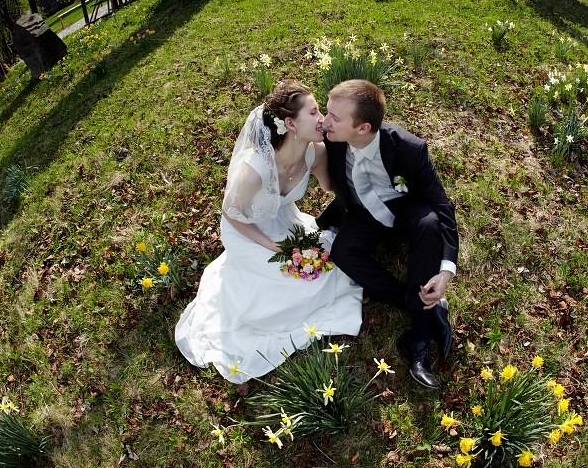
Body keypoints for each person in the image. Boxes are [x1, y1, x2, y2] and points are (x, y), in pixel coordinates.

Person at [175, 80, 363, 383]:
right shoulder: (254, 170)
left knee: (324, 271)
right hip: (246, 233)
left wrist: (349, 155)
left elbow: (331, 188)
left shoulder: (315, 152)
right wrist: (274, 248)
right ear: (290, 123)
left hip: (280, 221)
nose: (322, 119)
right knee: (287, 287)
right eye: (313, 112)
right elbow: (232, 216)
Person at [317, 79, 458, 390]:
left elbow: (440, 204)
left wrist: (446, 272)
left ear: (363, 127)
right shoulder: (328, 137)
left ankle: (418, 343)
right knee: (342, 252)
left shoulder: (409, 149)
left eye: (334, 117)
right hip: (361, 212)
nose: (324, 122)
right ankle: (423, 307)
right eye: (326, 113)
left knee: (430, 224)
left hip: (404, 208)